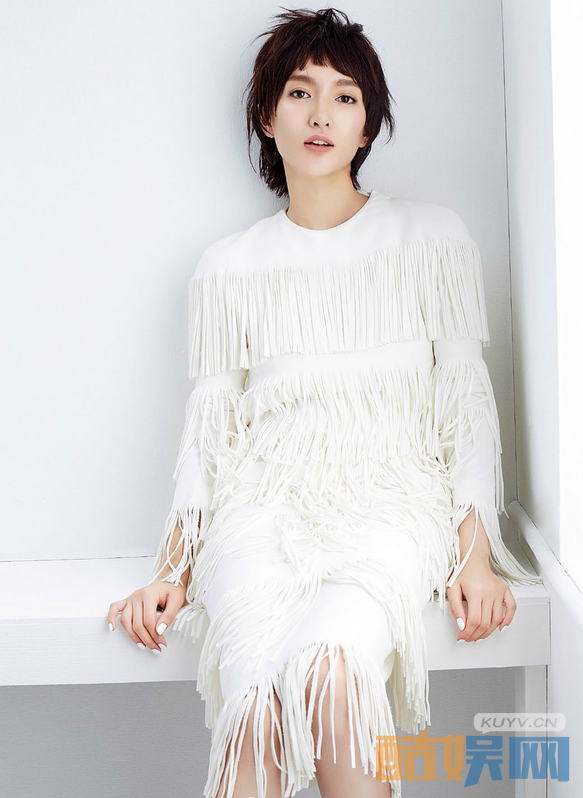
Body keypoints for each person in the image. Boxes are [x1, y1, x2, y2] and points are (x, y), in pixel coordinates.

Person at [107, 8, 543, 798]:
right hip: (260, 513)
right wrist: (171, 568)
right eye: (299, 92)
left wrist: (473, 557)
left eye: (344, 97)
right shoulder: (228, 266)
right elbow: (209, 435)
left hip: (392, 501)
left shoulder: (431, 237)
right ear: (265, 116)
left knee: (329, 668)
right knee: (254, 709)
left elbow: (466, 410)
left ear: (367, 124)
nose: (320, 115)